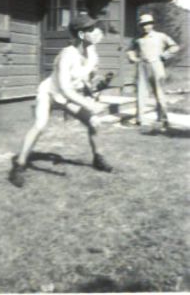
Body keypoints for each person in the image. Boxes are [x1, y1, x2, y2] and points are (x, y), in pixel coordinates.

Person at [9, 13, 114, 188]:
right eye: (91, 29)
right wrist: (88, 103)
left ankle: (98, 158)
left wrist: (97, 86)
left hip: (67, 97)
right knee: (40, 125)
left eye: (95, 28)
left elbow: (85, 81)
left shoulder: (92, 54)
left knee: (93, 123)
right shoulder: (67, 55)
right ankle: (18, 166)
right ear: (81, 34)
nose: (96, 32)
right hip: (50, 93)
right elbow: (65, 88)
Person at [127, 13, 179, 128]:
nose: (146, 27)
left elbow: (174, 47)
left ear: (152, 24)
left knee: (159, 92)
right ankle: (140, 118)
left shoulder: (160, 36)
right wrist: (133, 58)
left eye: (148, 24)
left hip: (156, 66)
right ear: (140, 26)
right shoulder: (138, 38)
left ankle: (163, 118)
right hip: (142, 66)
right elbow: (130, 50)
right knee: (141, 93)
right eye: (143, 24)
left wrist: (164, 56)